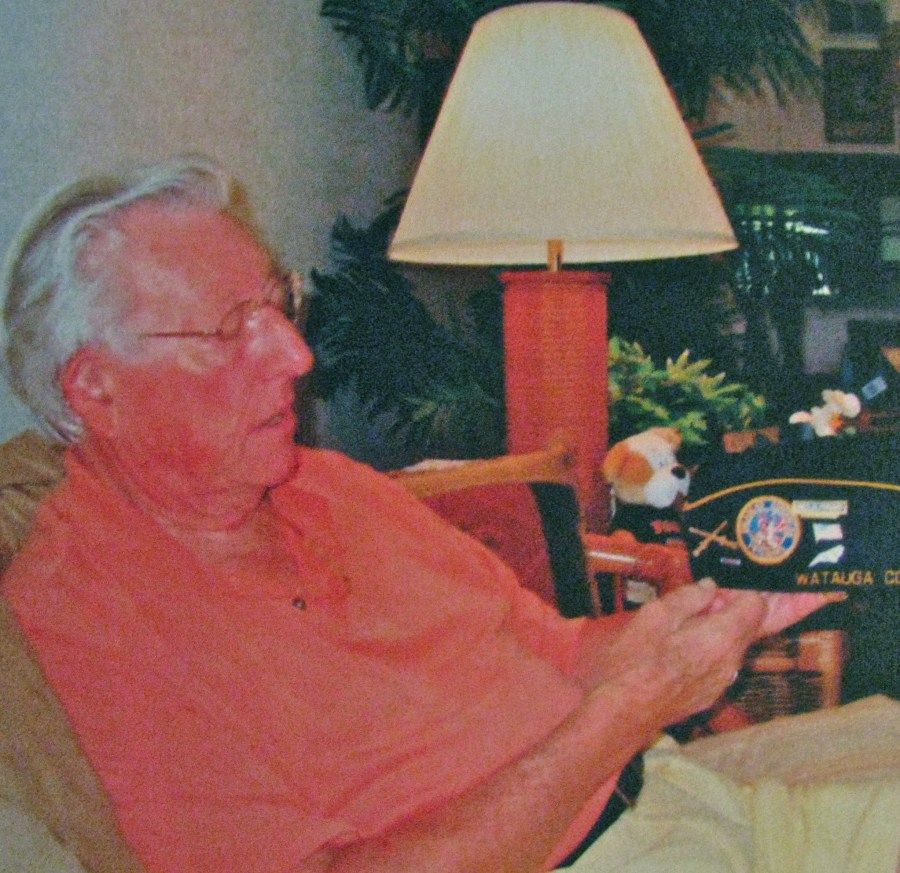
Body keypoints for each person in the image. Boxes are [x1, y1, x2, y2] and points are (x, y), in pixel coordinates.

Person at [1, 156, 897, 873]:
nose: (296, 353)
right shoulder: (91, 612)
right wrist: (631, 710)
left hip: (683, 800)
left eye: (279, 305)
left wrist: (697, 621)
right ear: (97, 387)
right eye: (230, 328)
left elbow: (558, 654)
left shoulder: (328, 485)